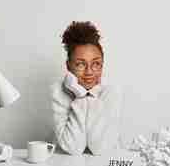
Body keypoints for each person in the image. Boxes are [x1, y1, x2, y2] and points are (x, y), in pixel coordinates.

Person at [51, 21, 124, 155]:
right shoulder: (58, 91)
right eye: (80, 64)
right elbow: (73, 148)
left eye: (96, 63)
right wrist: (81, 96)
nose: (89, 72)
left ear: (102, 64)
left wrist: (89, 96)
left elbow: (99, 148)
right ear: (68, 65)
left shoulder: (111, 91)